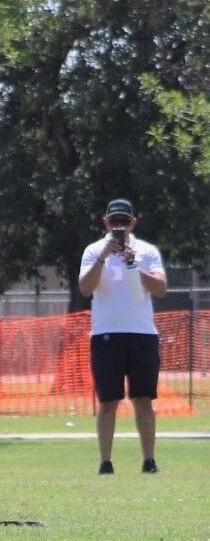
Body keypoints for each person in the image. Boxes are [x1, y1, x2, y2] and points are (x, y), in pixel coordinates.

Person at [79, 198, 167, 475]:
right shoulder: (93, 251)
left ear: (133, 223)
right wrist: (105, 256)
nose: (119, 226)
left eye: (124, 221)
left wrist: (133, 265)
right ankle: (106, 462)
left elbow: (161, 288)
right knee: (107, 402)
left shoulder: (147, 251)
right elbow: (85, 288)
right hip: (106, 335)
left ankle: (149, 460)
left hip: (142, 334)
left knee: (143, 399)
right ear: (106, 222)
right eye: (114, 221)